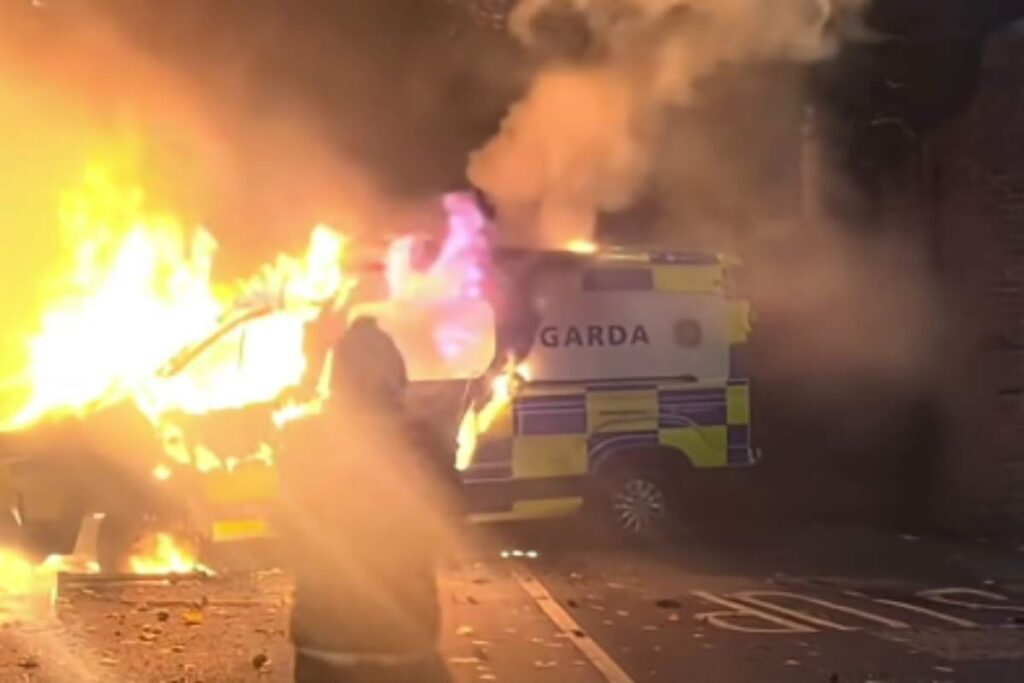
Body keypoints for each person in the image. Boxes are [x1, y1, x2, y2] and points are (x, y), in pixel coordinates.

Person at [277, 317, 459, 683]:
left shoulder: (300, 438)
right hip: (405, 639)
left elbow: (284, 525)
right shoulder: (422, 440)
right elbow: (452, 517)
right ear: (397, 375)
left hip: (323, 640)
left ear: (336, 380)